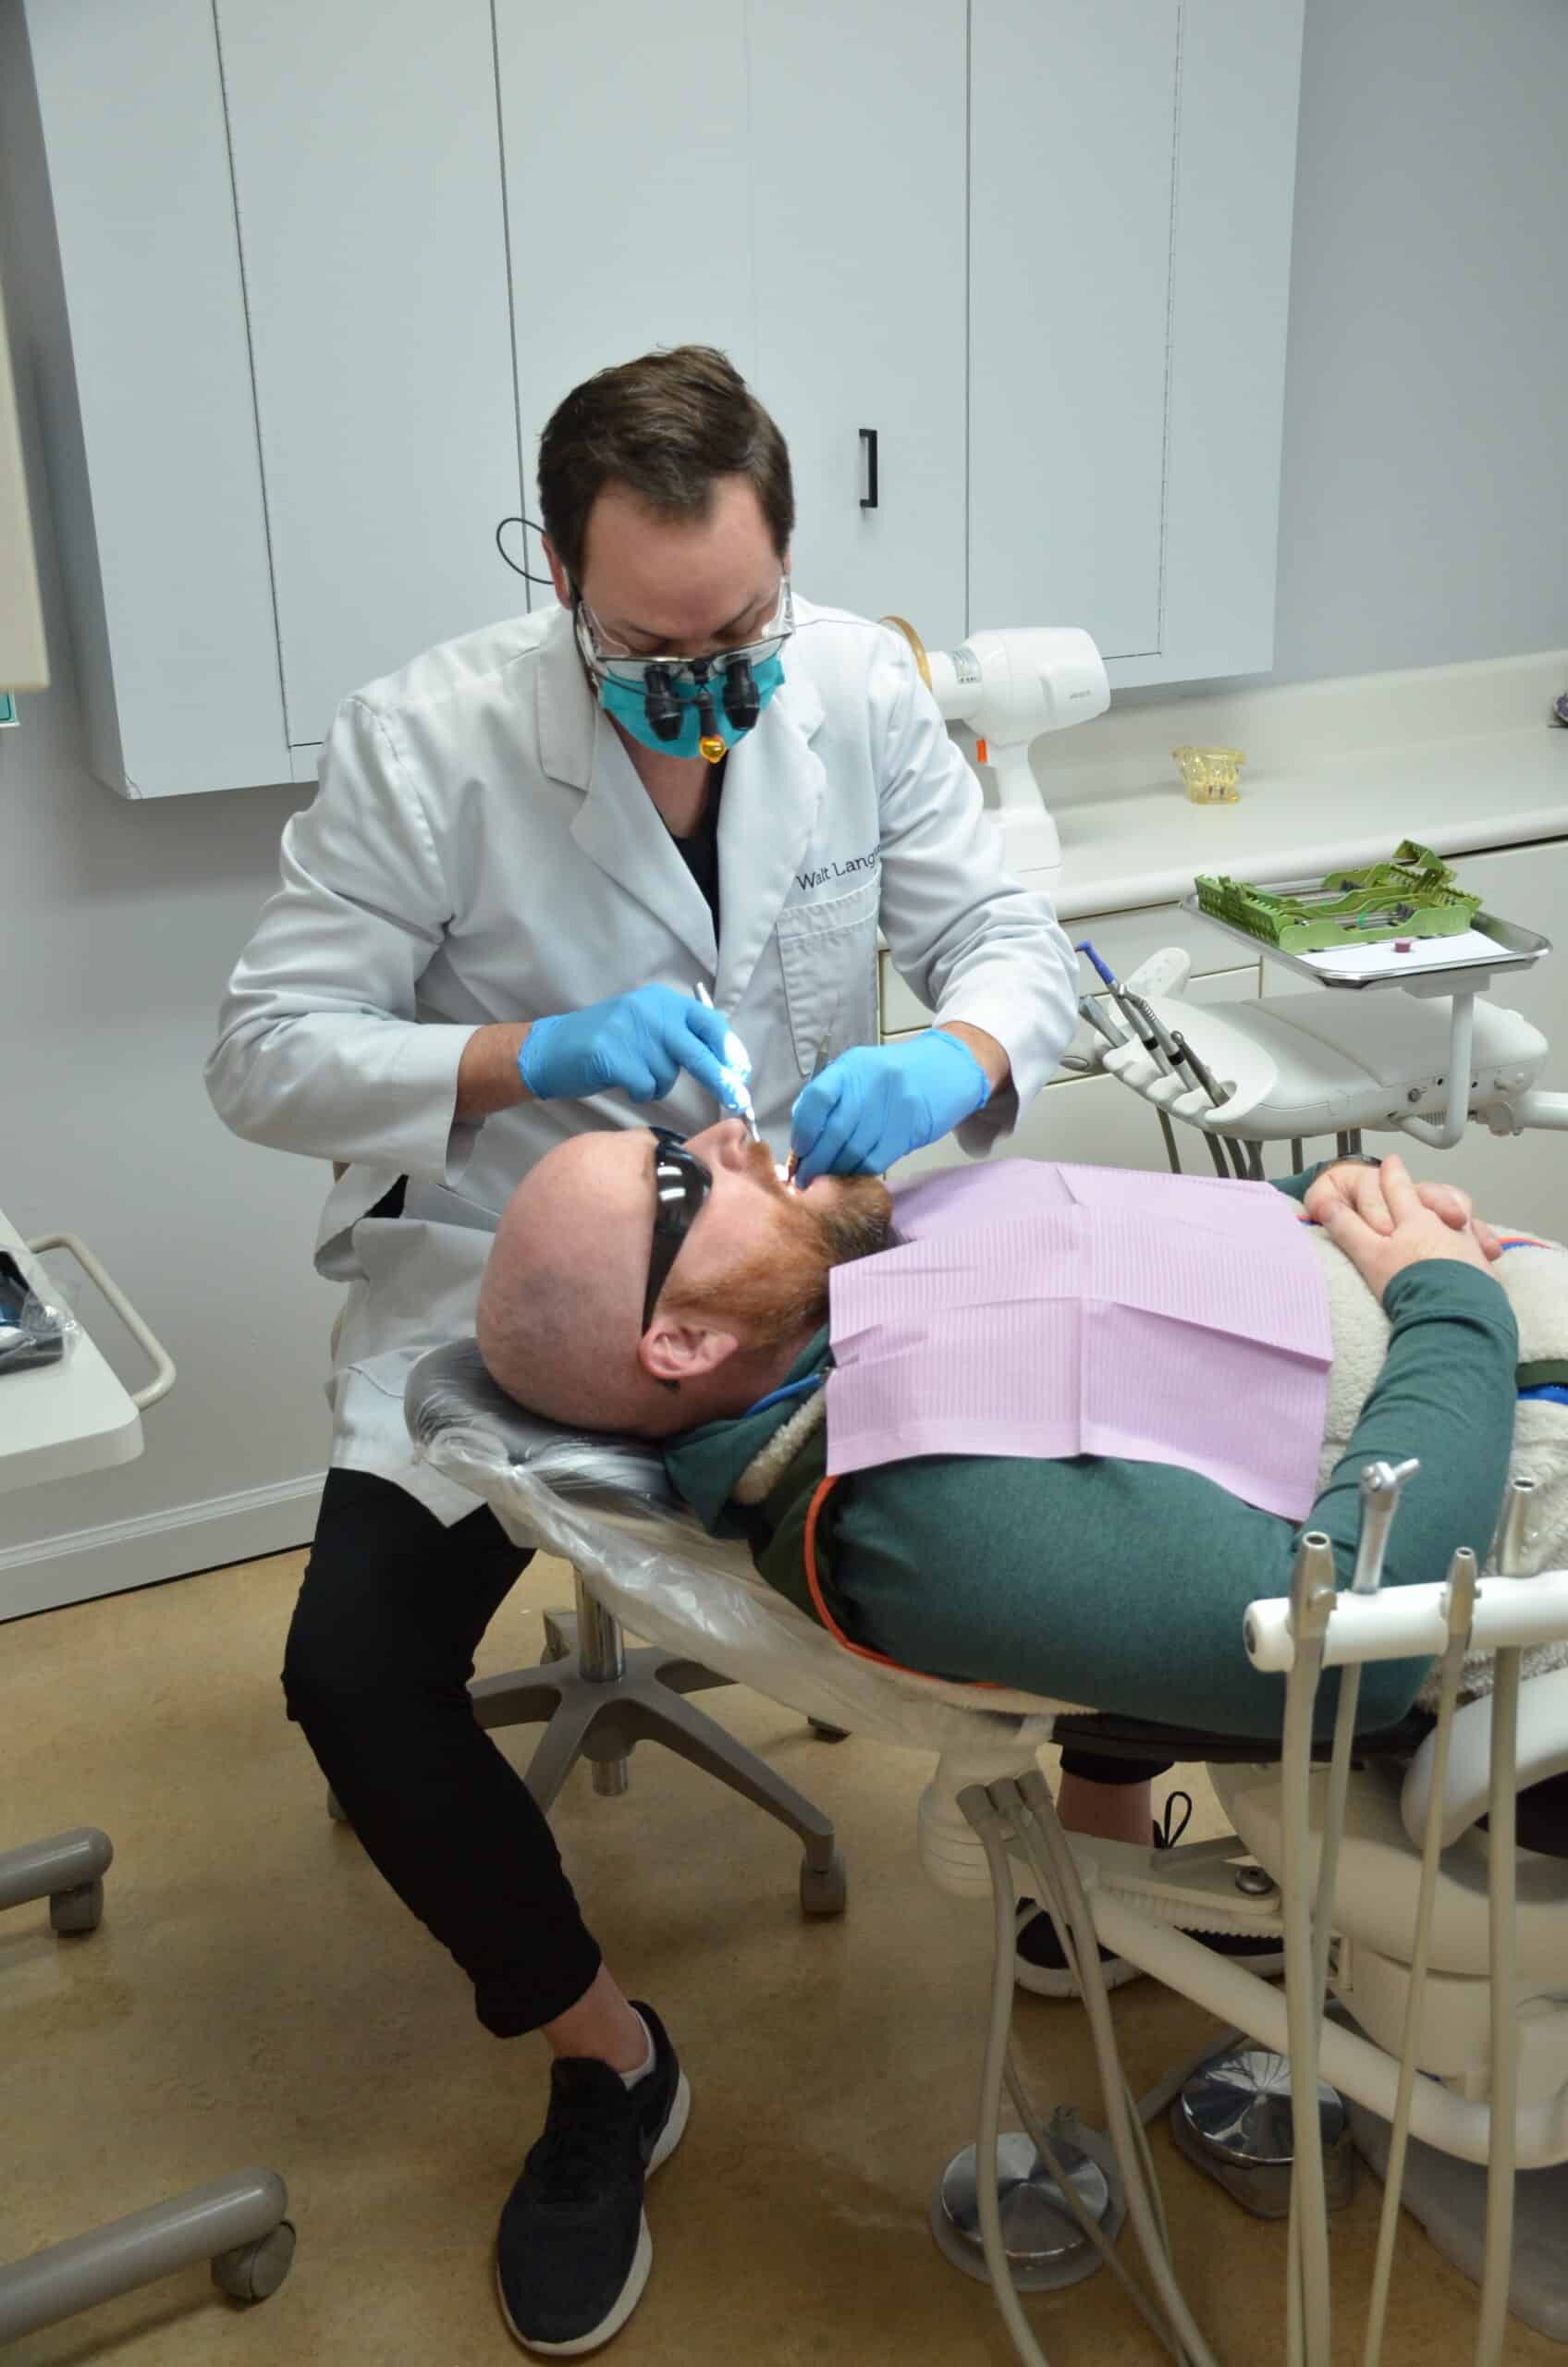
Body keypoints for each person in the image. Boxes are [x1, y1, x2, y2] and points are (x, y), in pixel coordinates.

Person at [205, 344, 1079, 2354]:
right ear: (554, 572)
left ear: (786, 560)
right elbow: (262, 1054)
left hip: (806, 1237)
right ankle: (603, 2052)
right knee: (351, 1667)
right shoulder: (424, 741)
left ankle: (1082, 1882)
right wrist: (528, 1053)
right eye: (644, 635)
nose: (707, 666)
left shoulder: (855, 685)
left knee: (1087, 1468)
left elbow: (1011, 941)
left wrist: (952, 1046)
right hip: (518, 1279)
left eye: (740, 621)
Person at [478, 1128, 1554, 1993]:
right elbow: (1351, 1655)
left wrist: (1337, 1190)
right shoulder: (924, 1507)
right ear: (683, 1343)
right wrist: (1446, 1295)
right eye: (681, 1178)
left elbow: (1164, 1244)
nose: (729, 1133)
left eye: (677, 1132)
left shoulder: (868, 1266)